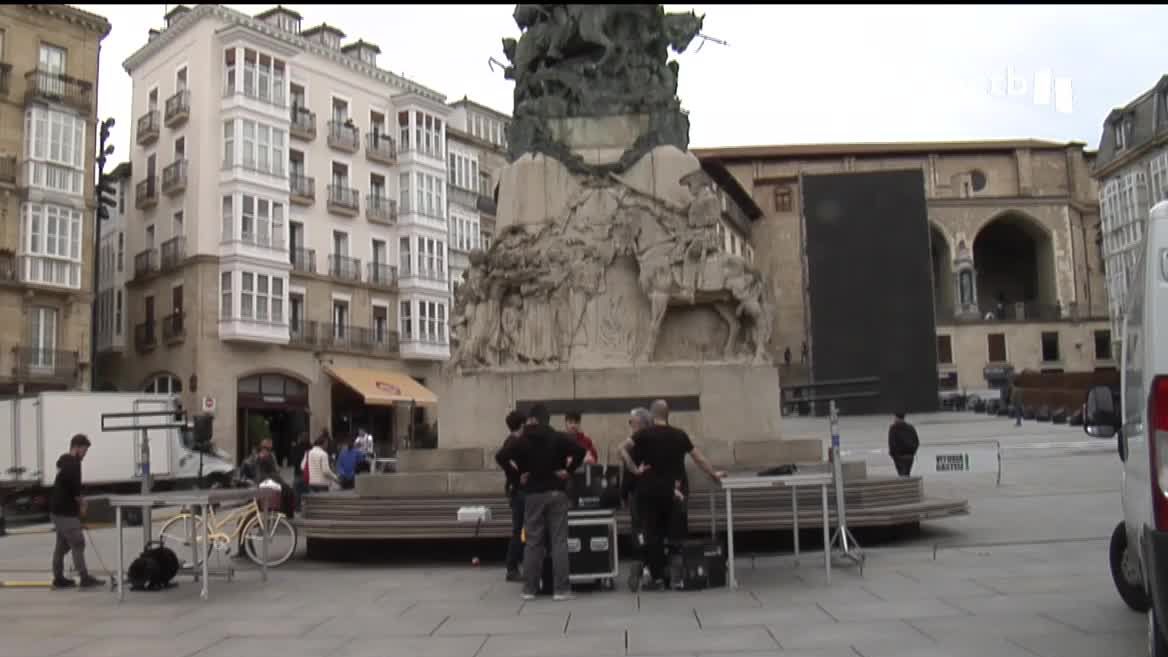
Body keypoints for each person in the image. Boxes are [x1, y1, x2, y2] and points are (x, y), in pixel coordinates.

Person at [619, 400, 724, 589]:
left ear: (651, 415)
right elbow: (698, 457)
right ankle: (677, 577)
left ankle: (657, 578)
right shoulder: (679, 435)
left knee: (653, 535)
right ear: (668, 414)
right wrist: (713, 473)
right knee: (676, 536)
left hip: (649, 492)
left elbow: (622, 449)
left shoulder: (643, 434)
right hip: (674, 492)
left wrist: (634, 469)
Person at [496, 403, 586, 601]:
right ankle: (562, 589)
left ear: (532, 419)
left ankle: (530, 588)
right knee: (559, 541)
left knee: (533, 542)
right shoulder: (558, 437)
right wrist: (568, 472)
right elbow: (580, 451)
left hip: (533, 494)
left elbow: (501, 456)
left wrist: (517, 475)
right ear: (547, 419)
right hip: (556, 492)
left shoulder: (522, 439)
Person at [50, 434, 103, 589]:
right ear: (77, 448)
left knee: (62, 544)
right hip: (65, 512)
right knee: (78, 542)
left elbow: (68, 485)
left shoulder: (64, 461)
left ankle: (58, 579)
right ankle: (84, 578)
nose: (85, 454)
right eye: (85, 450)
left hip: (57, 511)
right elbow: (75, 488)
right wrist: (83, 504)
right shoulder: (74, 464)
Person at [495, 409, 528, 582]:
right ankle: (512, 567)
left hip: (518, 490)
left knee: (520, 529)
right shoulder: (513, 442)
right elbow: (500, 457)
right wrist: (517, 476)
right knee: (519, 530)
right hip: (519, 492)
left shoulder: (513, 441)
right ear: (522, 425)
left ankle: (514, 566)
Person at [888, 412, 920, 477]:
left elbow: (891, 443)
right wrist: (913, 452)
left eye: (894, 417)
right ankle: (908, 486)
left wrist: (893, 455)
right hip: (909, 456)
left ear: (896, 417)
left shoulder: (893, 428)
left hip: (899, 456)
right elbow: (916, 441)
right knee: (906, 474)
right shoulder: (911, 427)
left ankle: (906, 486)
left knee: (902, 475)